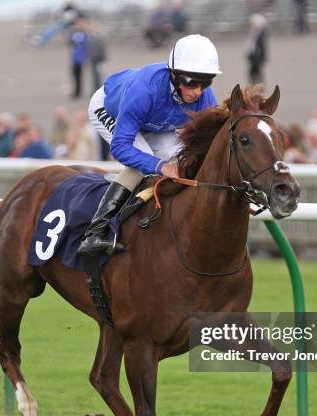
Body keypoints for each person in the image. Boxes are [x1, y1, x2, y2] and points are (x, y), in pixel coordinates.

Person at [77, 34, 220, 256]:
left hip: (152, 121)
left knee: (182, 157)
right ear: (174, 75)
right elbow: (121, 147)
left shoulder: (204, 98)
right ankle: (95, 232)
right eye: (190, 82)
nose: (197, 91)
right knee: (143, 158)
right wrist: (161, 167)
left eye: (206, 82)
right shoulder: (145, 90)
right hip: (109, 108)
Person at [245, 14, 268, 85]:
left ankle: (258, 85)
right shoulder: (253, 33)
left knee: (255, 72)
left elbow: (262, 48)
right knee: (253, 72)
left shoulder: (260, 34)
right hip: (253, 57)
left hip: (257, 57)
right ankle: (256, 85)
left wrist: (261, 57)